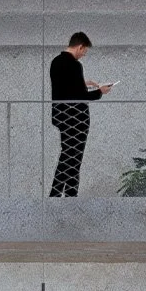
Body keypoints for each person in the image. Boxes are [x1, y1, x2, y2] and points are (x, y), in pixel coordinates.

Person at [46, 31, 110, 198]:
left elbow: (65, 90)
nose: (83, 55)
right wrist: (100, 91)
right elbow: (80, 96)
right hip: (77, 119)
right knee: (74, 159)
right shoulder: (75, 65)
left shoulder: (55, 62)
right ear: (80, 46)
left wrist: (83, 83)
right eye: (84, 51)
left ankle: (57, 194)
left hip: (61, 117)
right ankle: (69, 196)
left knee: (67, 155)